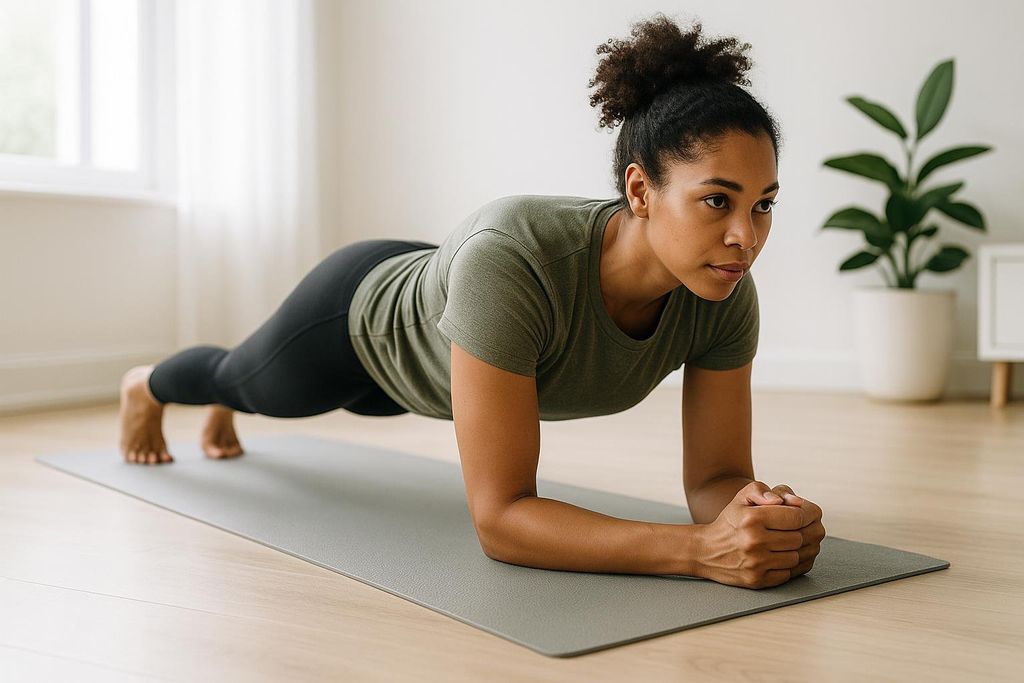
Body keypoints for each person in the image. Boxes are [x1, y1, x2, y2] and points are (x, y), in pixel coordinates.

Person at [119, 13, 824, 589]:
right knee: (240, 379)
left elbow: (714, 477)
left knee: (251, 385)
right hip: (360, 327)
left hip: (438, 369)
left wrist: (754, 514)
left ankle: (235, 393)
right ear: (640, 191)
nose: (745, 236)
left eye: (763, 205)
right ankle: (147, 387)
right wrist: (699, 551)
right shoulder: (515, 259)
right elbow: (502, 518)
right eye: (716, 200)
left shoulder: (722, 291)